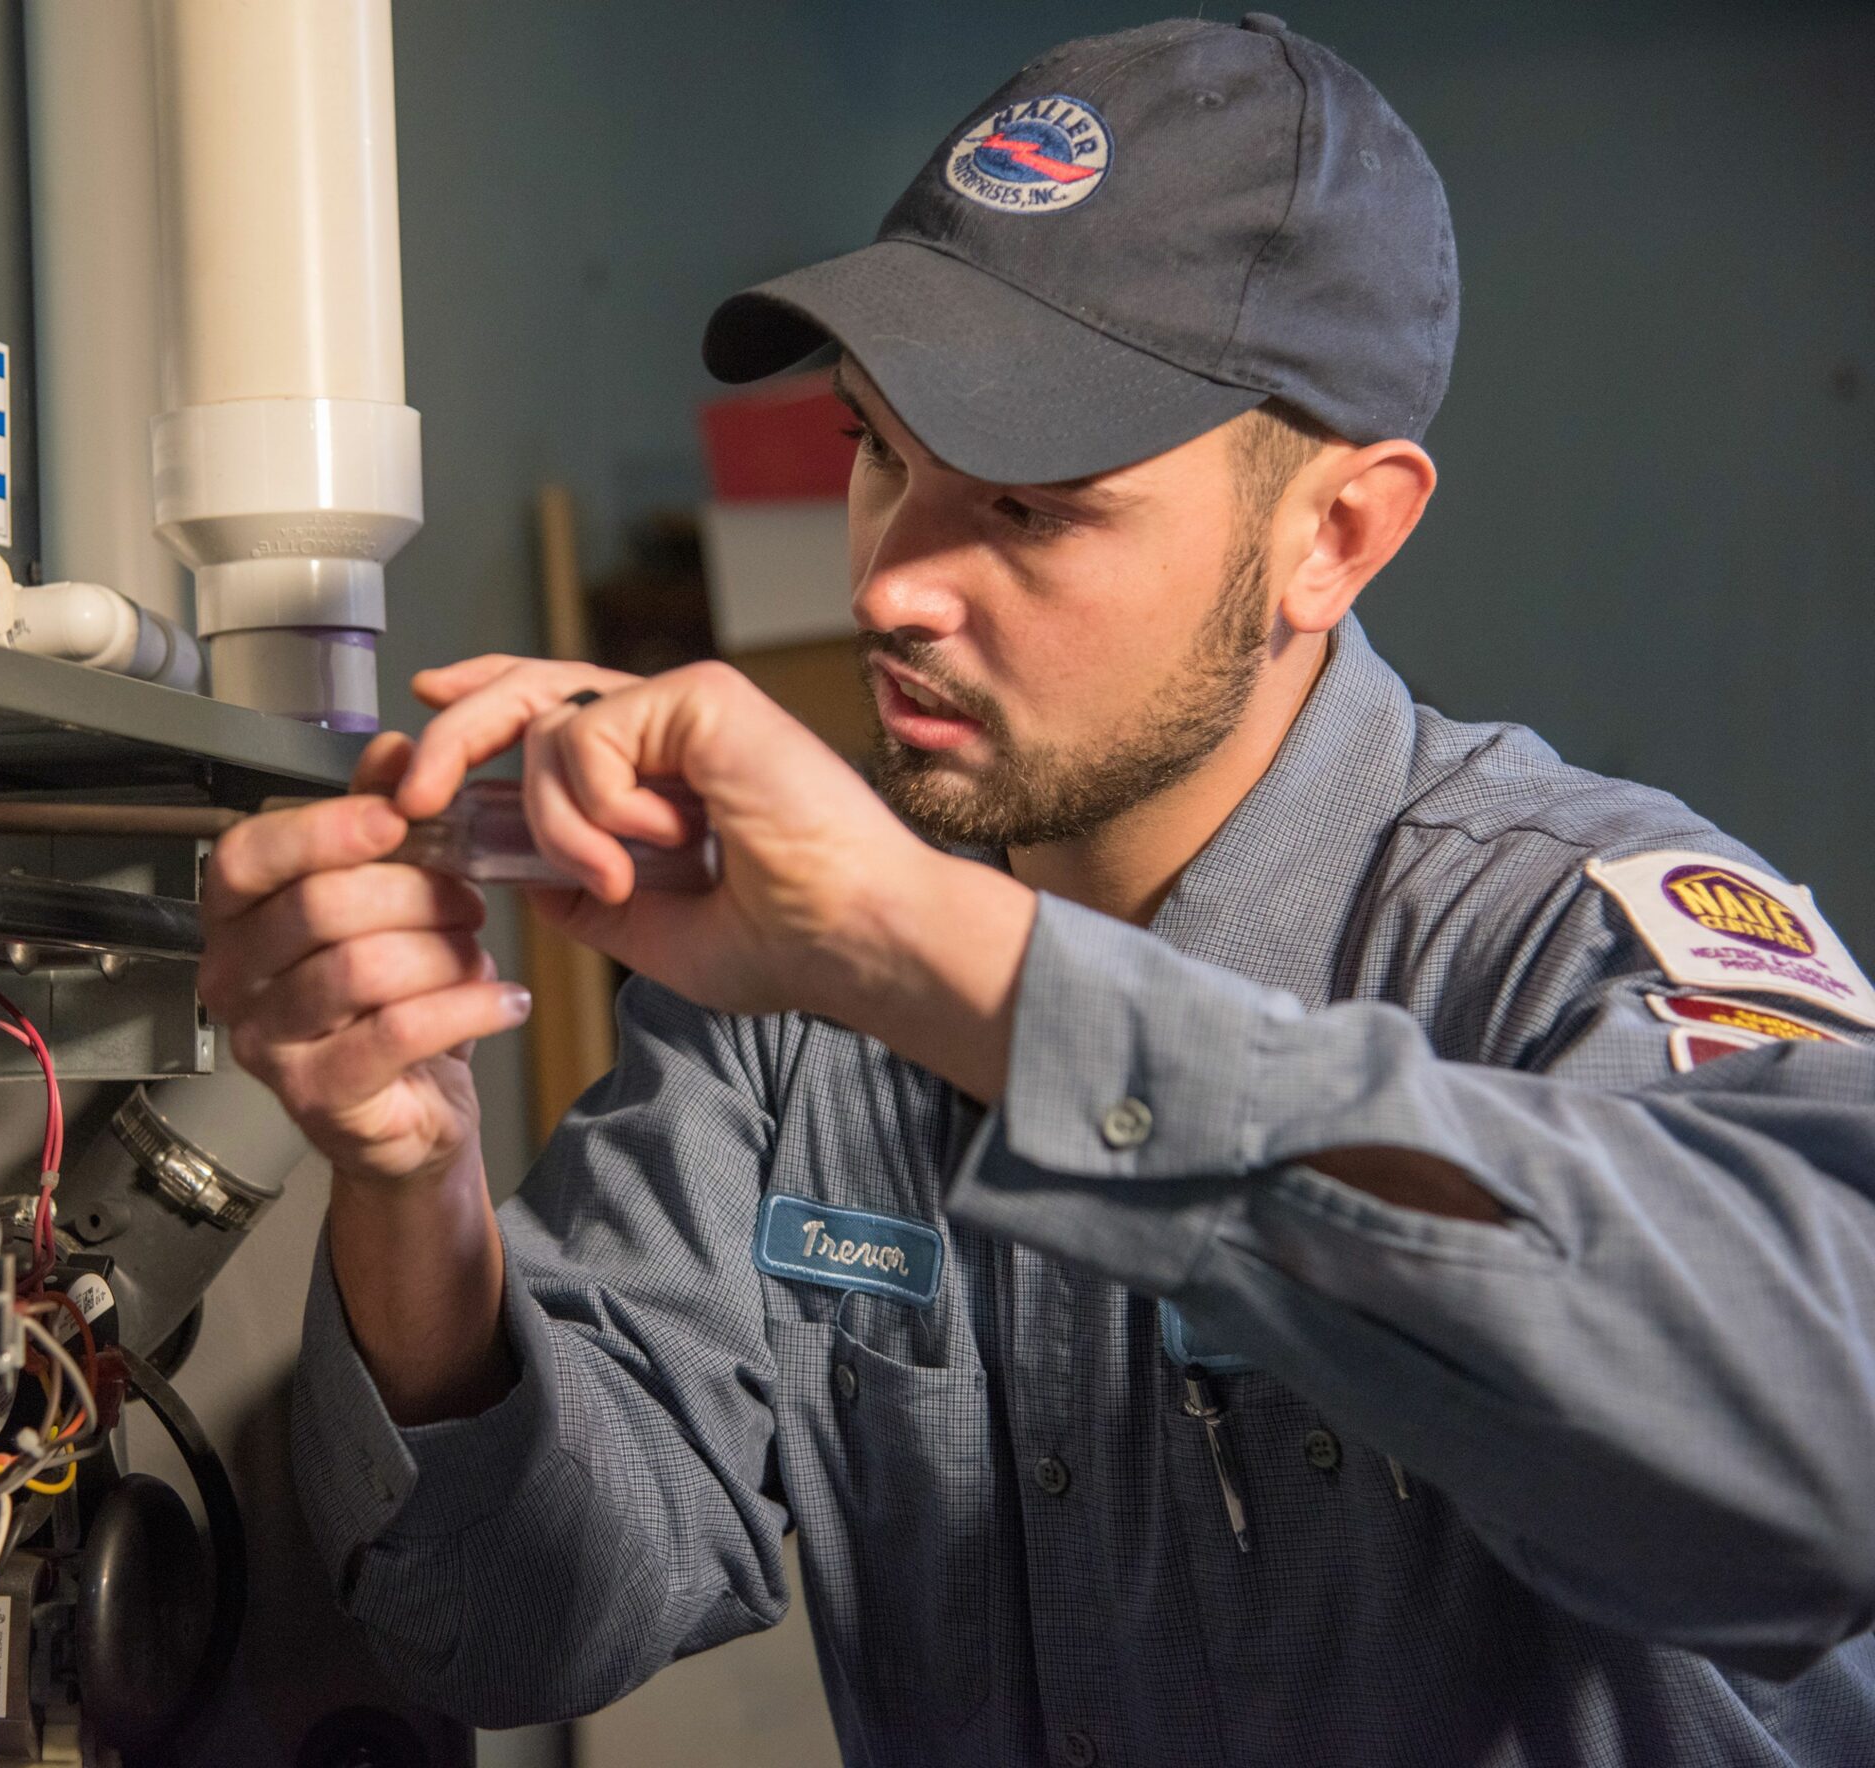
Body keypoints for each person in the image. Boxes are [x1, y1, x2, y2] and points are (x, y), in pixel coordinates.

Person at [196, 16, 1875, 1765]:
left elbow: (1827, 1464)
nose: (897, 581)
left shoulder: (1565, 932)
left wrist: (935, 960)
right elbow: (520, 1621)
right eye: (877, 454)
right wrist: (414, 1181)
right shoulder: (778, 993)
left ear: (1338, 536)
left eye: (1023, 502)